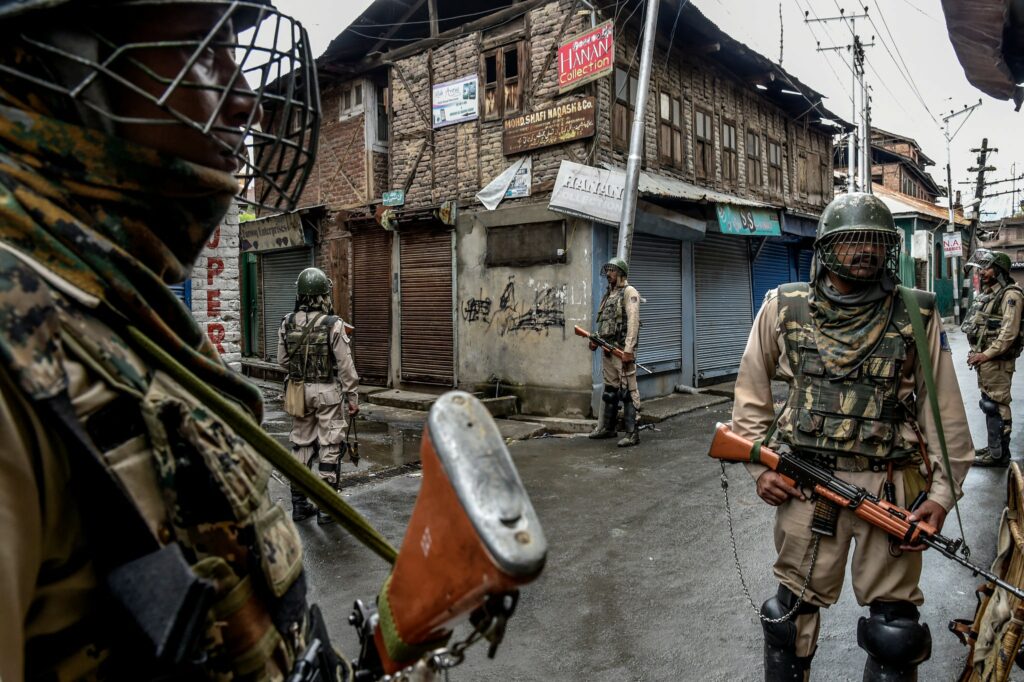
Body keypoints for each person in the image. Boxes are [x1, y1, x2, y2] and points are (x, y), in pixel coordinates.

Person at [0, 1, 335, 679]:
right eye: (204, 49)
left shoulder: (114, 306)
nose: (246, 101)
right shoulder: (20, 352)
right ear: (70, 61)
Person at [731, 193, 973, 681]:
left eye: (875, 242)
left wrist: (943, 496)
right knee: (787, 615)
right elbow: (751, 396)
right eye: (851, 241)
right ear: (826, 249)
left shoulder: (916, 314)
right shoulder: (784, 307)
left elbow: (943, 413)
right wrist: (760, 467)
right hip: (805, 483)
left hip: (891, 488)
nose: (864, 251)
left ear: (889, 250)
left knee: (896, 631)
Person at [278, 267, 359, 525]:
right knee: (330, 445)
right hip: (326, 393)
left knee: (301, 444)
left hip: (298, 392)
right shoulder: (333, 324)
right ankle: (326, 509)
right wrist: (353, 398)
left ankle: (299, 506)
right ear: (324, 294)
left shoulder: (287, 321)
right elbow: (345, 367)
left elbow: (282, 361)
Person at [962, 248, 1023, 467]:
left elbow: (1009, 332)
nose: (981, 273)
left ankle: (999, 456)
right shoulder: (991, 293)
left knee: (996, 404)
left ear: (999, 270)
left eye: (986, 268)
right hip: (987, 360)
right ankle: (993, 448)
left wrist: (985, 355)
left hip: (997, 360)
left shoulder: (1011, 295)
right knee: (989, 402)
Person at [588, 256, 642, 447]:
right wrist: (595, 340)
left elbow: (633, 322)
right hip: (607, 349)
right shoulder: (608, 294)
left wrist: (628, 349)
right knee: (610, 390)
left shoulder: (629, 292)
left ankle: (632, 433)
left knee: (628, 390)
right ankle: (608, 428)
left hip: (621, 350)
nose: (608, 274)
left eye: (612, 270)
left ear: (620, 273)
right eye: (607, 271)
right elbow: (603, 321)